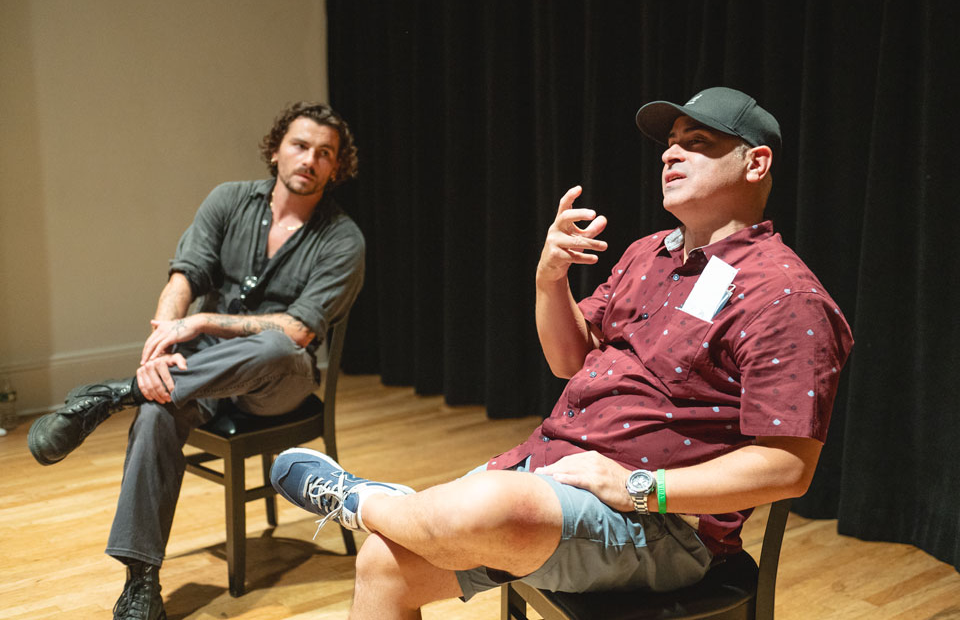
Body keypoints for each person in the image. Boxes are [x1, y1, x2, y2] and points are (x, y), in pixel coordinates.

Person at [270, 87, 854, 618]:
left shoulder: (785, 295)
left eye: (697, 144)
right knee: (382, 563)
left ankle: (358, 498)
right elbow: (568, 361)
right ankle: (386, 508)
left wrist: (639, 485)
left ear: (755, 163)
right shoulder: (649, 253)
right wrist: (550, 278)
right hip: (555, 469)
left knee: (482, 508)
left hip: (662, 525)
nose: (670, 156)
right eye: (669, 146)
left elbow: (788, 468)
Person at [27, 102, 365, 620]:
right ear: (276, 149)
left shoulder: (343, 239)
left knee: (277, 345)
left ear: (336, 168)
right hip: (204, 373)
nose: (310, 159)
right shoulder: (228, 201)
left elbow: (299, 329)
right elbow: (184, 276)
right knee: (159, 409)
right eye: (300, 145)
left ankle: (114, 395)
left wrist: (204, 324)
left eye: (325, 153)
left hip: (278, 384)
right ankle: (142, 582)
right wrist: (162, 341)